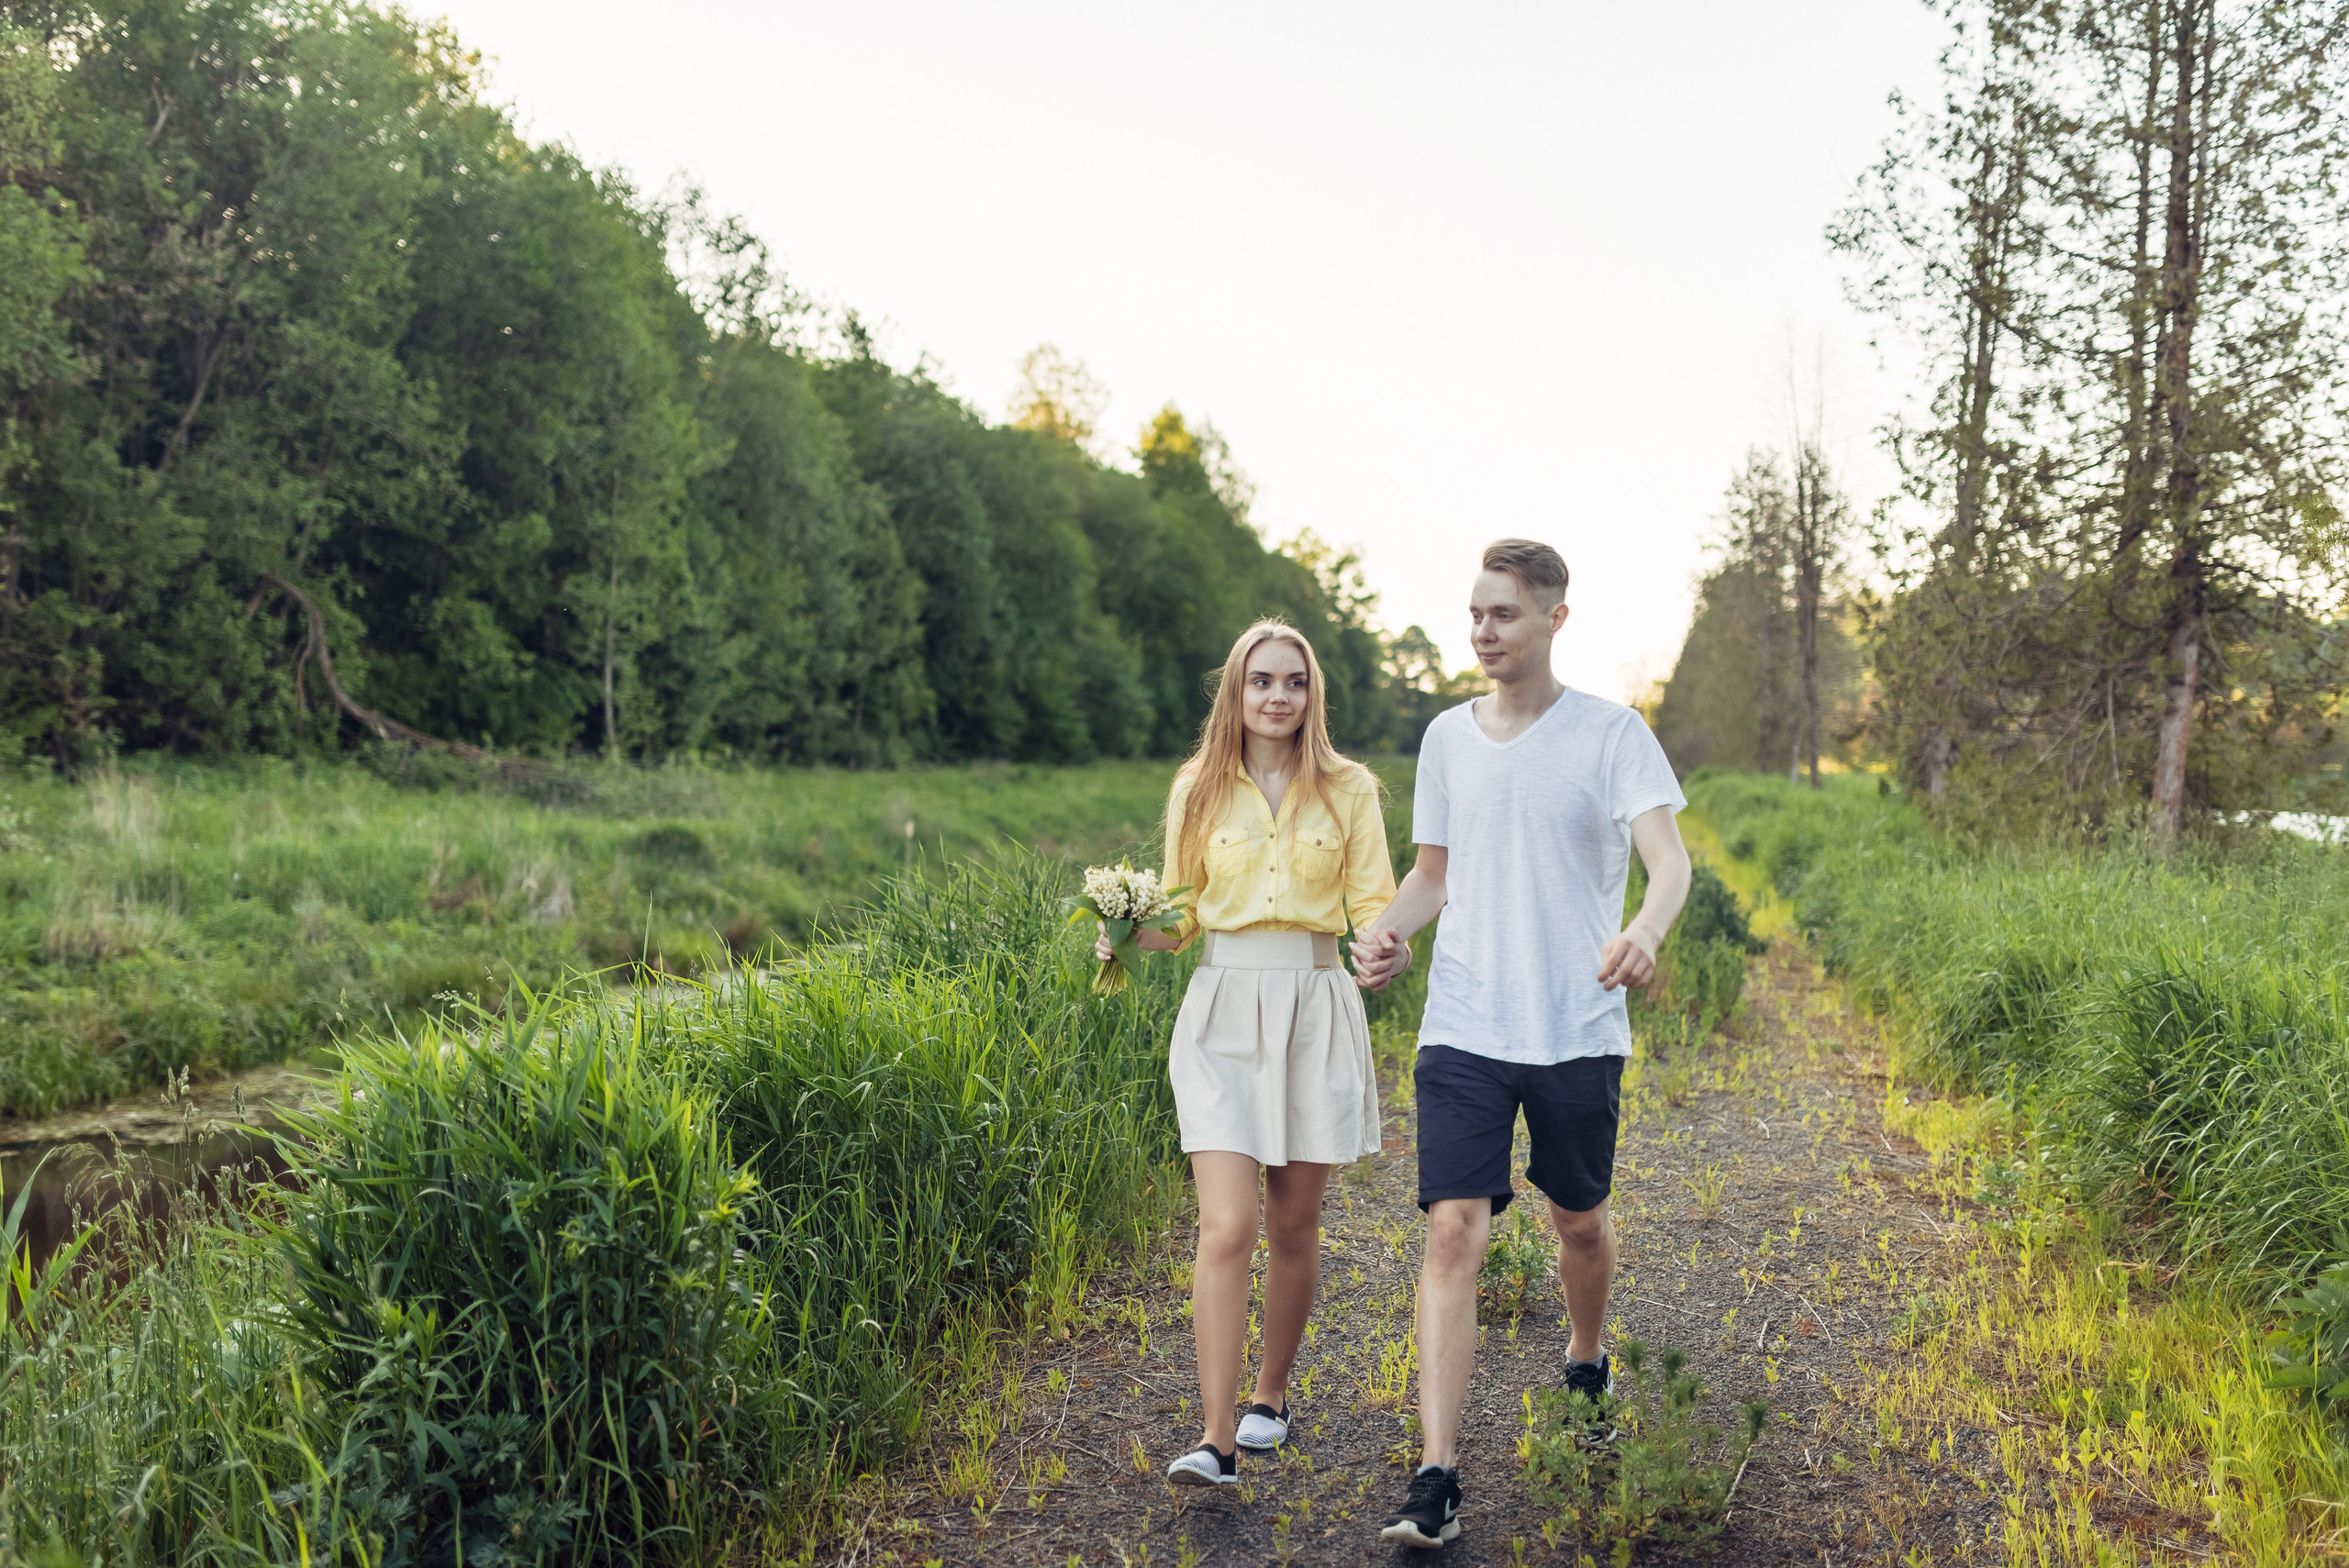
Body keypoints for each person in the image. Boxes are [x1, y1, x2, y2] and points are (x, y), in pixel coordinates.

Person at [1350, 539, 1692, 1550]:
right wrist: (1387, 932)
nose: (1483, 631)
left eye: (1502, 612)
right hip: (1464, 1020)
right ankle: (1437, 1474)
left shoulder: (1612, 733)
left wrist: (1645, 930)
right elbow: (1433, 873)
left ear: (1554, 617)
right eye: (1474, 613)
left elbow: (1669, 862)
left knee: (1577, 1222)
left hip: (1576, 1023)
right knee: (1452, 1230)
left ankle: (1585, 1356)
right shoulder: (1445, 738)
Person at [1099, 619, 1397, 1487]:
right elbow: (1182, 917)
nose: (1278, 696)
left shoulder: (1350, 788)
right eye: (1262, 680)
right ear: (1236, 689)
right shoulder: (1196, 787)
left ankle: (1271, 1394)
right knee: (1227, 1224)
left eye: (1294, 682)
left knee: (1294, 1223)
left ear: (1313, 694)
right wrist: (1125, 930)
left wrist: (1389, 950)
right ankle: (1217, 1437)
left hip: (1314, 1006)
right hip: (1222, 1014)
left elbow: (1375, 909)